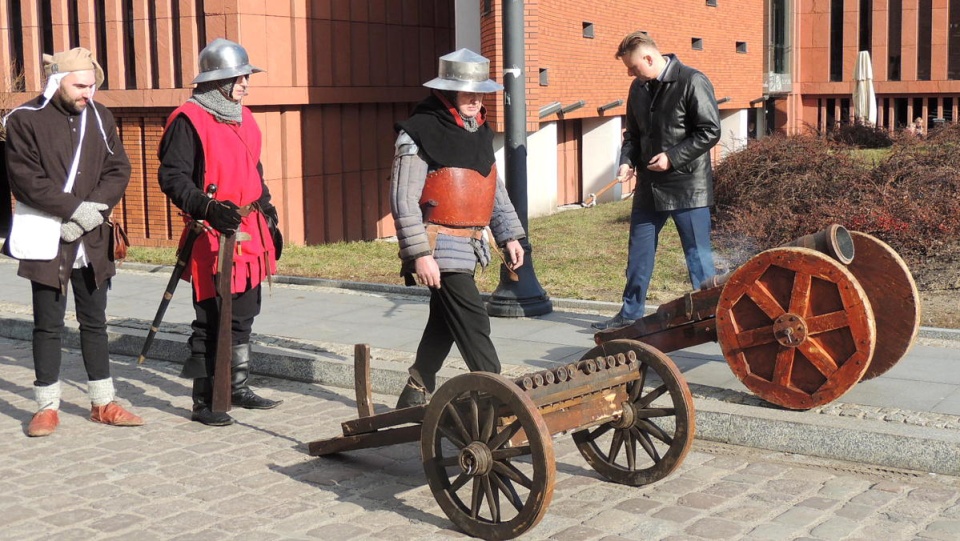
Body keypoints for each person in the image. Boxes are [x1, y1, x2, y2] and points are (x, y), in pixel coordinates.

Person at [3, 47, 142, 436]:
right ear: (56, 81)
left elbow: (119, 168)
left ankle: (103, 402)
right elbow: (26, 179)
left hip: (91, 237)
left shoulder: (101, 115)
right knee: (47, 325)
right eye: (80, 85)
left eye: (92, 85)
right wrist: (72, 211)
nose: (88, 93)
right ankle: (47, 406)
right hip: (47, 237)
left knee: (95, 322)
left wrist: (89, 215)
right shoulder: (24, 119)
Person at [391, 49, 526, 408]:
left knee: (446, 321)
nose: (475, 99)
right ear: (447, 92)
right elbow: (403, 199)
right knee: (472, 318)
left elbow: (492, 189)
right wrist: (419, 254)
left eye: (480, 92)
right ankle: (500, 398)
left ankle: (415, 389)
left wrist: (509, 235)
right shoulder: (418, 131)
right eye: (467, 92)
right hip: (438, 245)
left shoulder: (480, 131)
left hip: (472, 243)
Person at [158, 38, 282, 426]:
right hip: (212, 232)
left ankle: (237, 385)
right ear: (218, 81)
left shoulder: (243, 116)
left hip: (250, 228)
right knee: (212, 317)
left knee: (245, 312)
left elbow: (254, 171)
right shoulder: (188, 119)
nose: (245, 83)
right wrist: (208, 207)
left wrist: (269, 211)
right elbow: (172, 178)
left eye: (245, 76)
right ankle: (205, 399)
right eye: (239, 77)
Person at [593, 31, 721, 331]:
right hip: (649, 188)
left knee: (698, 257)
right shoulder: (637, 88)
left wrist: (672, 157)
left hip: (688, 188)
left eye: (633, 67)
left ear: (649, 58)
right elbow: (633, 136)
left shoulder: (692, 80)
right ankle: (630, 314)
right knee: (638, 252)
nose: (630, 73)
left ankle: (714, 318)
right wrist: (626, 161)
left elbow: (710, 131)